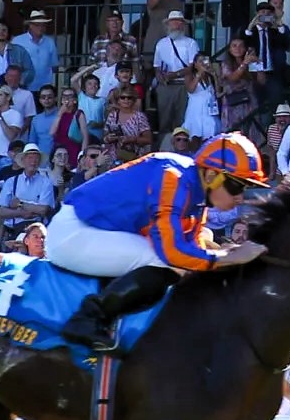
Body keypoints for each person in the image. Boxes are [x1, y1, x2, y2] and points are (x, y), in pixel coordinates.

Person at [46, 133, 270, 350]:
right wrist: (226, 257)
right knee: (166, 262)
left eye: (245, 188)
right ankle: (87, 318)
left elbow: (193, 245)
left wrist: (223, 253)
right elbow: (171, 251)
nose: (240, 197)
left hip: (98, 229)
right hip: (74, 231)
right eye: (237, 186)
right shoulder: (173, 177)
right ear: (211, 176)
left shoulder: (196, 191)